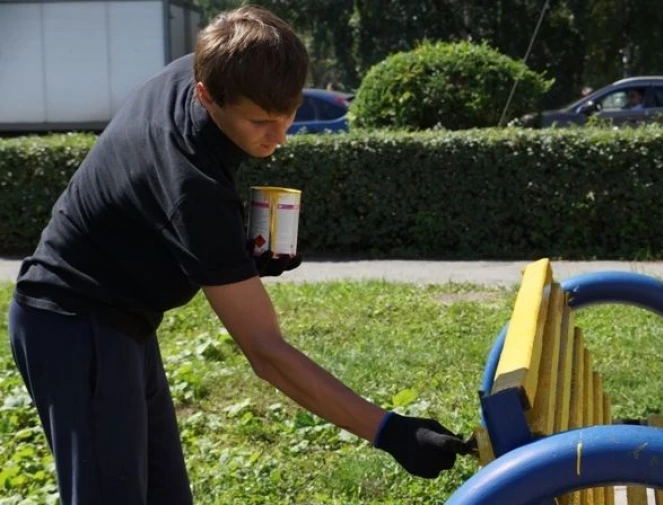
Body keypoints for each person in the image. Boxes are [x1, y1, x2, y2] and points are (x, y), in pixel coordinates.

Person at [7, 6, 467, 504]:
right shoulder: (193, 188)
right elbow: (266, 351)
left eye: (288, 113)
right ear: (207, 95)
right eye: (260, 121)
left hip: (124, 324)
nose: (280, 135)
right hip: (74, 327)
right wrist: (390, 431)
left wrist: (236, 257)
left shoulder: (208, 64)